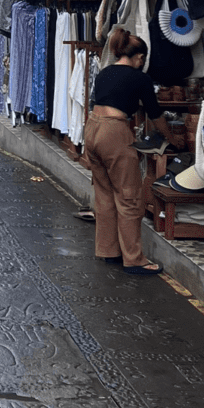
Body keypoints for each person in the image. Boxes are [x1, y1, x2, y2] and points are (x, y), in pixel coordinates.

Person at [83, 28, 177, 275]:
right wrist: (171, 139)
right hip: (114, 132)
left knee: (104, 195)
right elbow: (155, 114)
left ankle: (109, 250)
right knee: (129, 197)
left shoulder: (104, 72)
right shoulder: (140, 78)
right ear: (140, 57)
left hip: (92, 129)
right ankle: (134, 260)